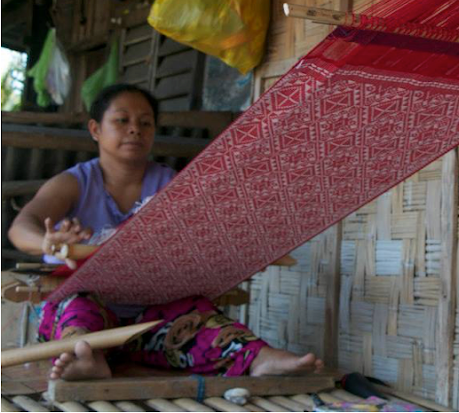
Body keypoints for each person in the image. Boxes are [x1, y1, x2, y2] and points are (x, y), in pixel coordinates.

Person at [8, 84, 323, 381]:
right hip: (86, 318)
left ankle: (258, 358)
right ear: (95, 129)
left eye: (146, 123)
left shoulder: (173, 186)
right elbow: (21, 228)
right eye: (122, 120)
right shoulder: (75, 183)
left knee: (196, 314)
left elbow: (213, 233)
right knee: (75, 305)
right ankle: (86, 357)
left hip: (151, 324)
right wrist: (46, 241)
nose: (135, 129)